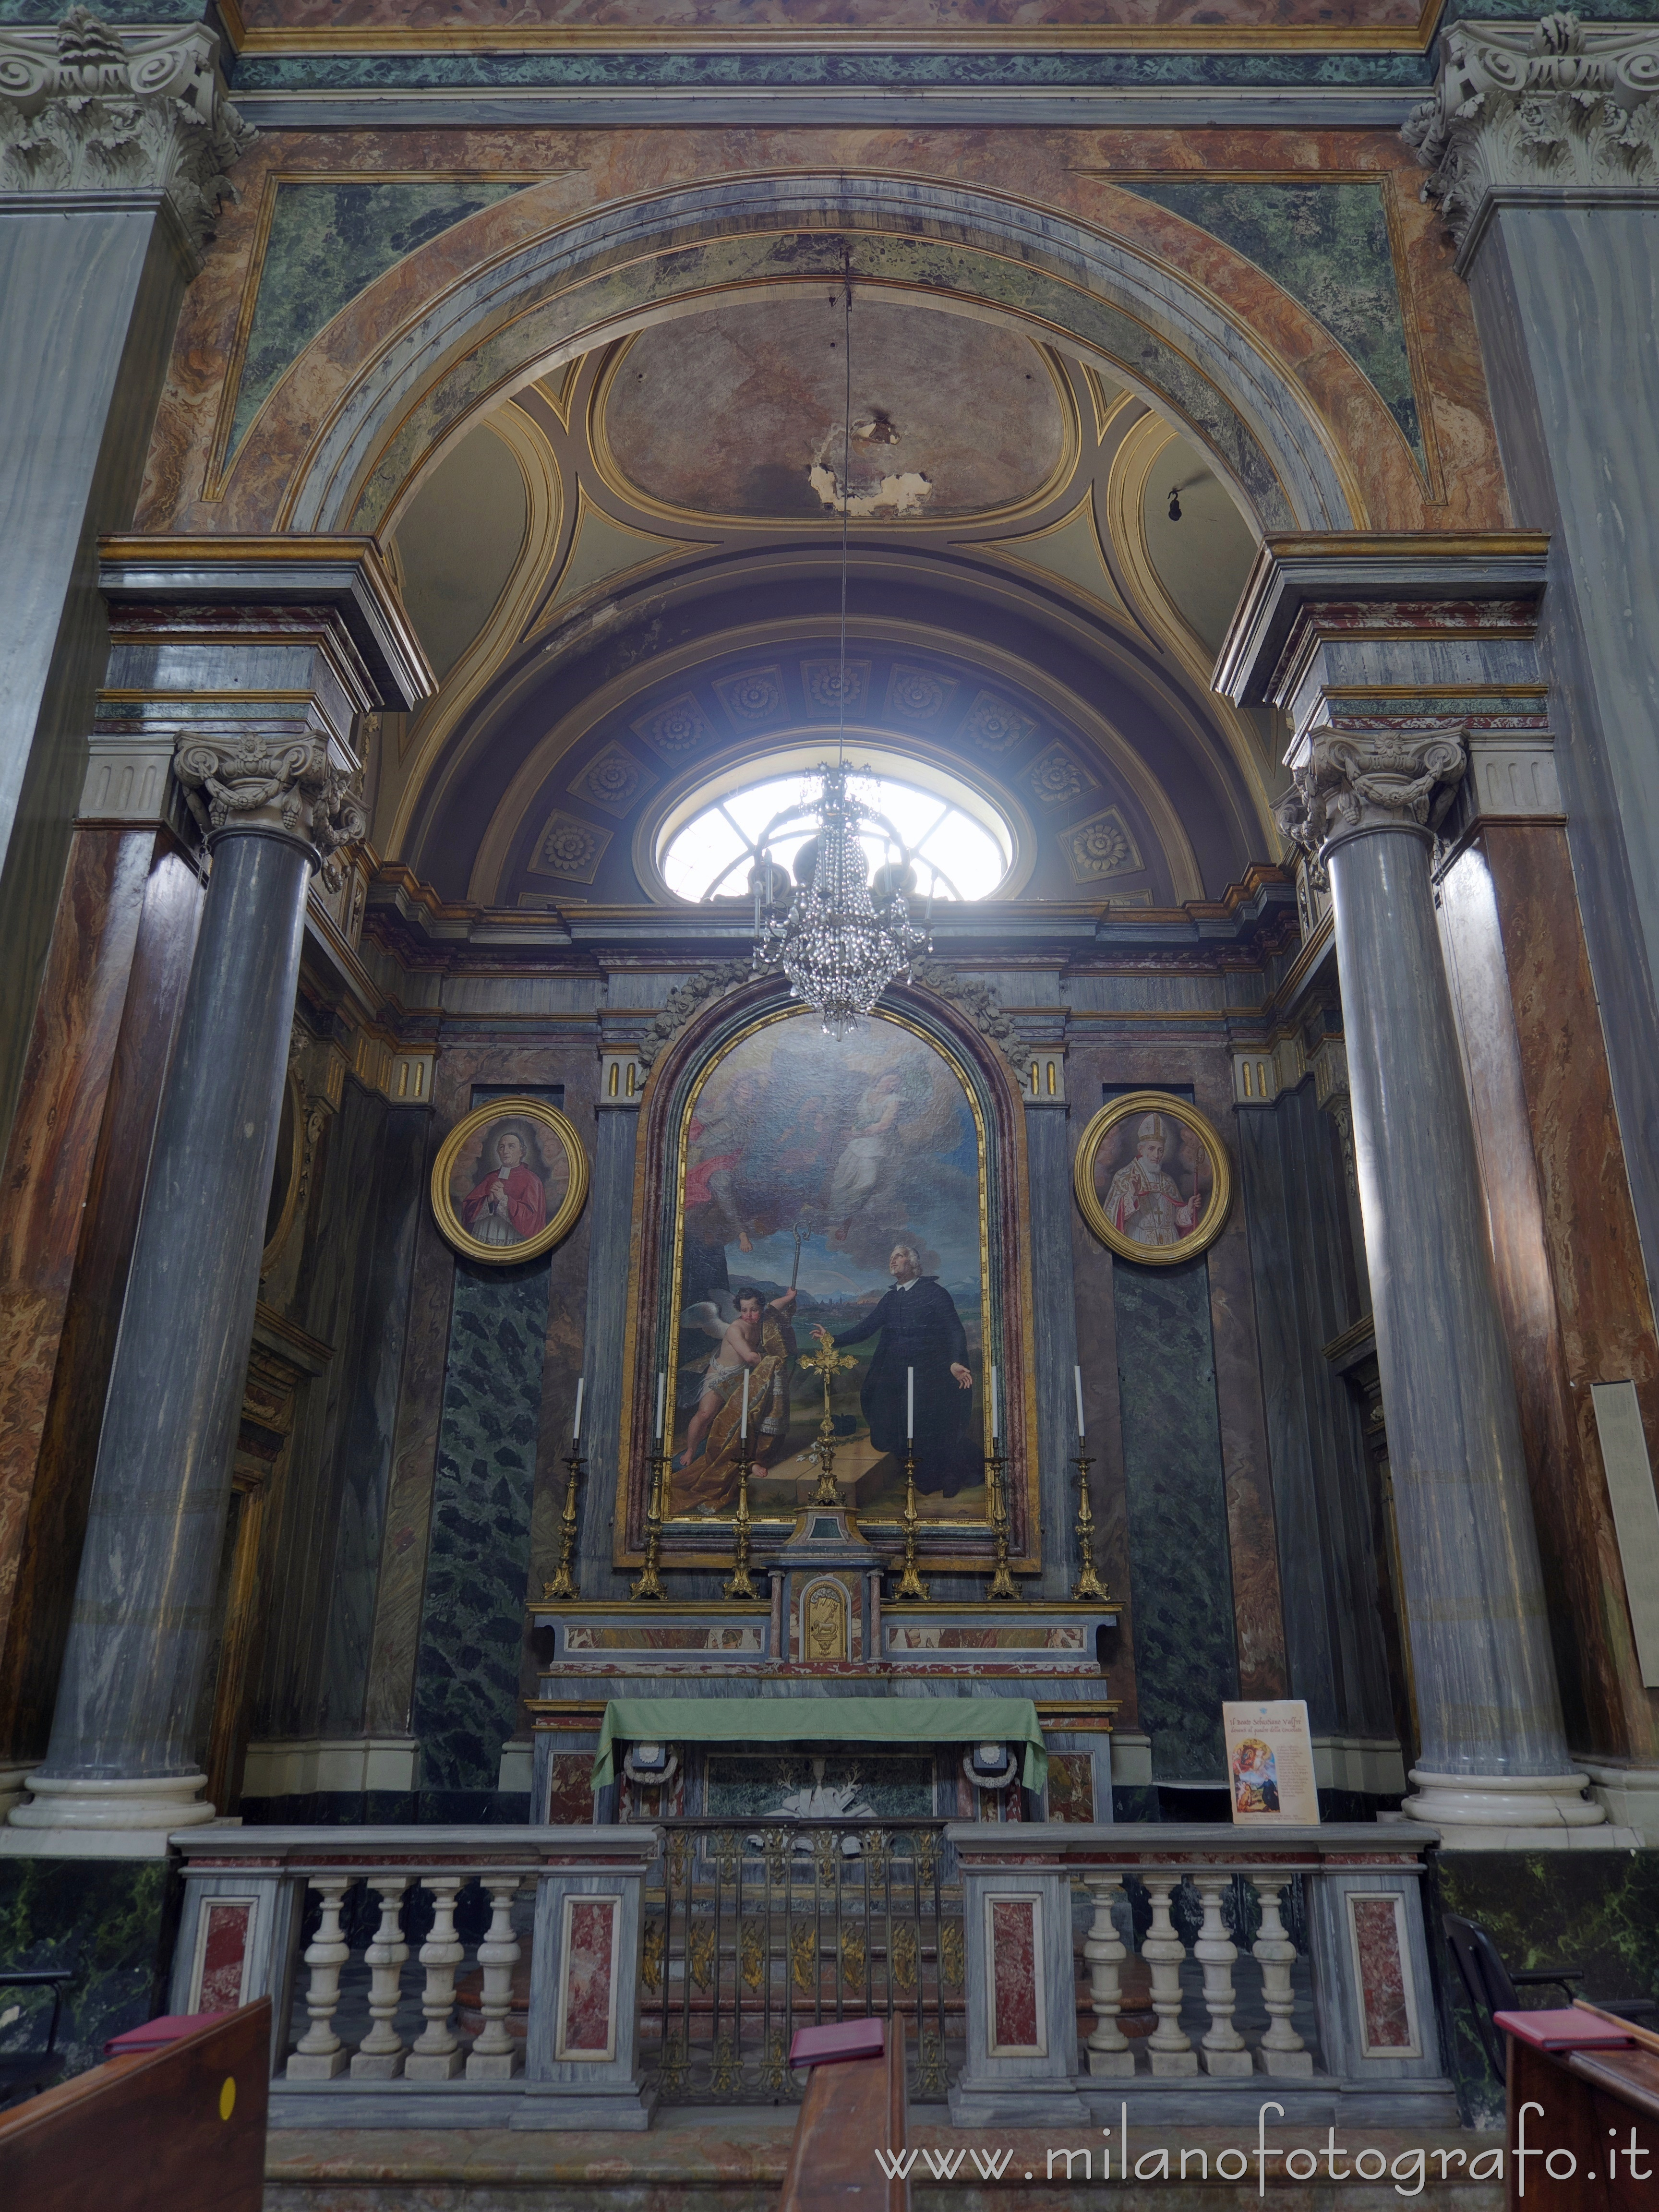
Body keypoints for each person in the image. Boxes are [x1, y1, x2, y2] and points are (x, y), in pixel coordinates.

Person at [815, 1241, 975, 1495]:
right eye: (892, 1257)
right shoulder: (890, 1298)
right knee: (898, 1420)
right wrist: (831, 1339)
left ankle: (945, 1476)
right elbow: (866, 1329)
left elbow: (955, 1331)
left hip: (929, 1374)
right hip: (895, 1375)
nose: (893, 1260)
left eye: (899, 1256)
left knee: (930, 1425)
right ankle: (916, 1474)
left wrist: (956, 1362)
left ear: (913, 1264)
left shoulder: (935, 1293)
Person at [673, 1285, 798, 1511]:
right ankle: (691, 1451)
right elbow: (751, 1357)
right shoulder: (735, 1329)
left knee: (744, 1419)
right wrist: (774, 1360)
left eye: (754, 1310)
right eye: (744, 1310)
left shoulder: (764, 1318)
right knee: (705, 1415)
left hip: (744, 1377)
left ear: (760, 1308)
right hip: (721, 1375)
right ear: (739, 1310)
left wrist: (789, 1298)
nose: (749, 1315)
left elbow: (775, 1306)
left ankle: (746, 1460)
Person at [1102, 1111, 1204, 1248]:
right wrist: (1132, 1195)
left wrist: (1188, 1210)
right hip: (1139, 1242)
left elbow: (1175, 1219)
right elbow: (1112, 1219)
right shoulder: (1124, 1176)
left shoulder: (1167, 1181)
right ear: (1141, 1149)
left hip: (1170, 1244)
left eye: (1160, 1150)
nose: (1156, 1155)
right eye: (1152, 1148)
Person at [459, 1126, 547, 1246]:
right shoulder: (490, 1178)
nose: (506, 1151)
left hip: (515, 1237)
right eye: (502, 1147)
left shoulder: (532, 1180)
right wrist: (488, 1200)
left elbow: (533, 1219)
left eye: (511, 1146)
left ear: (521, 1152)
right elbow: (467, 1209)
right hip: (486, 1232)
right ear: (498, 1152)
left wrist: (504, 1199)